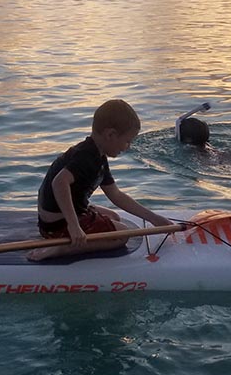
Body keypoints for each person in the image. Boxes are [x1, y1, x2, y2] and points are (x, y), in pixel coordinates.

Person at [31, 99, 172, 261]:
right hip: (57, 226)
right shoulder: (86, 157)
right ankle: (64, 248)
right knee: (121, 236)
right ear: (110, 135)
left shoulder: (98, 156)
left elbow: (116, 195)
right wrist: (74, 226)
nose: (128, 147)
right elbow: (59, 183)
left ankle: (70, 231)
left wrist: (154, 218)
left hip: (55, 220)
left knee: (114, 217)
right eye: (127, 141)